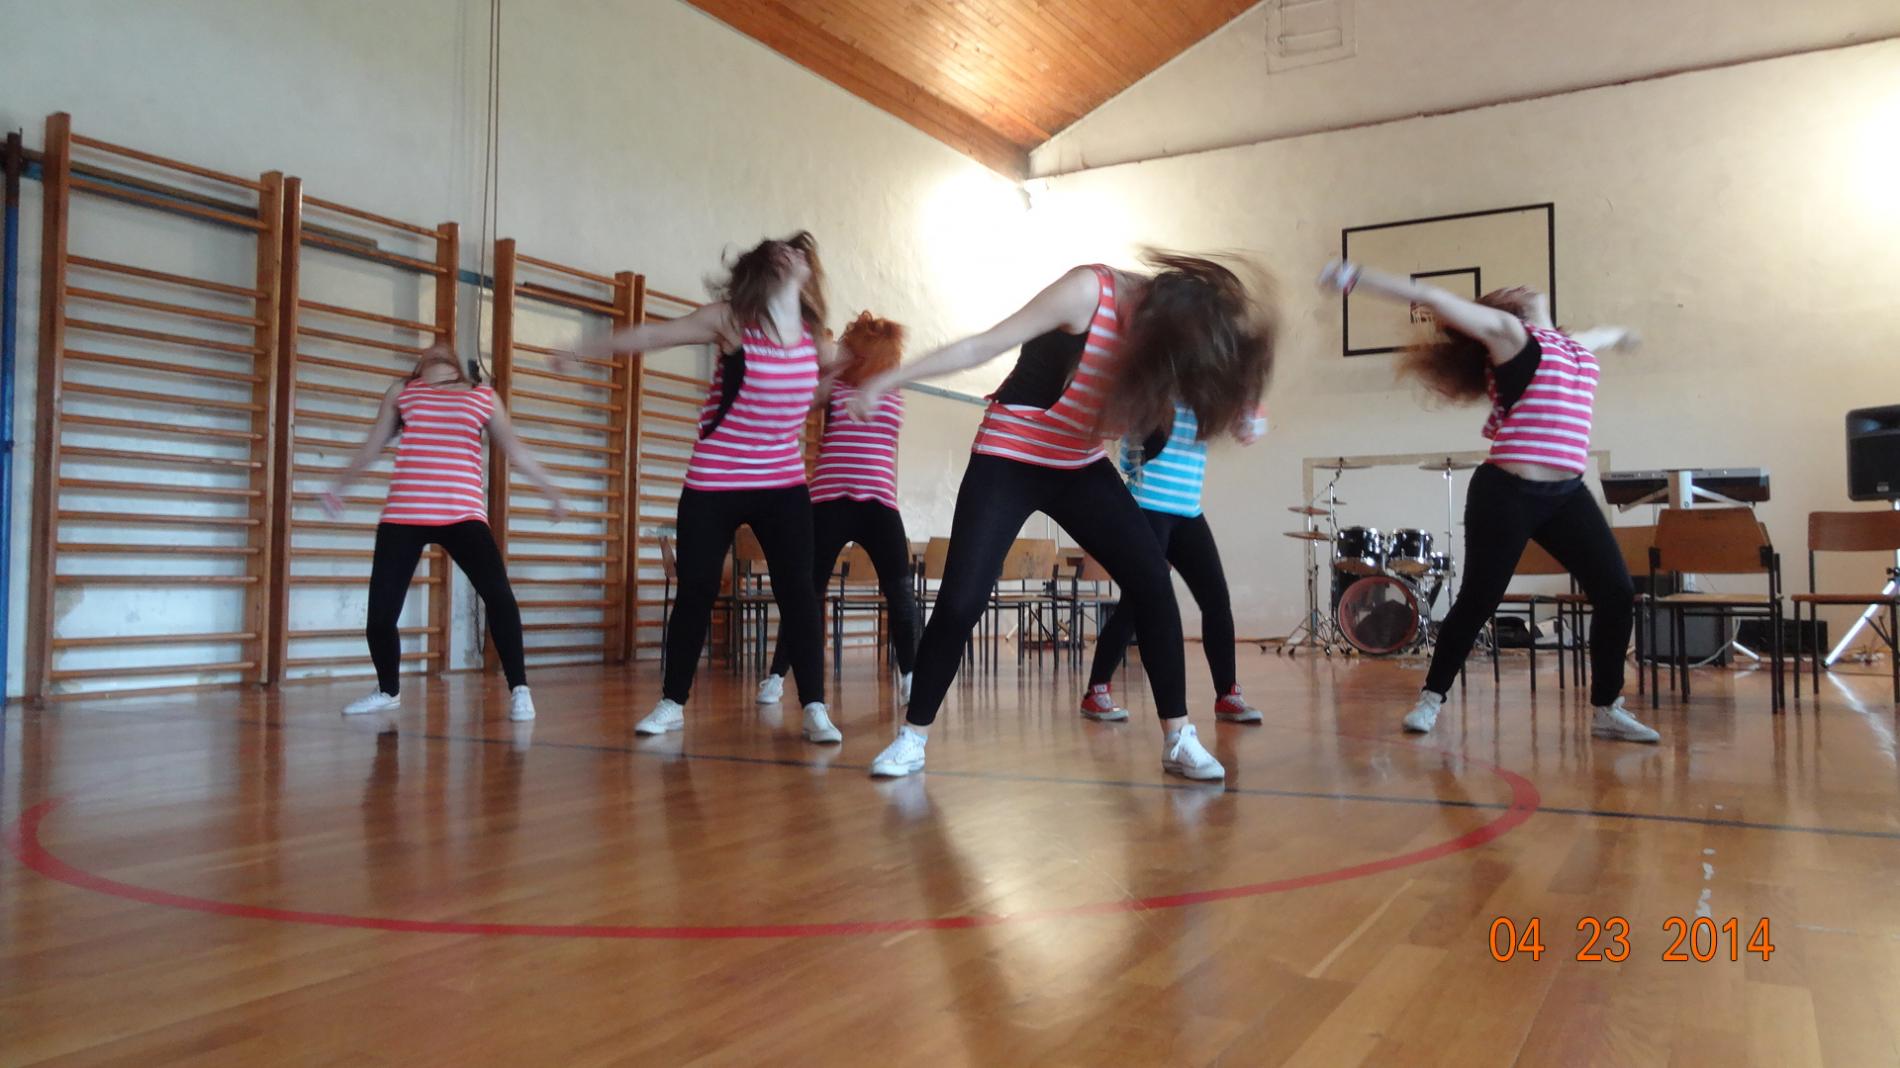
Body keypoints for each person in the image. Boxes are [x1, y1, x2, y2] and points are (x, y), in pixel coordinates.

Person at [850, 254, 1278, 780]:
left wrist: (1247, 411)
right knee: (962, 600)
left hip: (1078, 463)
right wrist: (888, 380)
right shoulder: (1087, 293)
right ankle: (912, 738)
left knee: (1151, 581)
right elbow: (982, 345)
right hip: (1010, 454)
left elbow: (1214, 382)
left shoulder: (1169, 346)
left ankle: (1178, 738)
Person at [1317, 259, 1656, 743]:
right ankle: (1430, 699)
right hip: (1507, 492)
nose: (1521, 282)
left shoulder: (1572, 345)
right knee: (1480, 598)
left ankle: (1607, 708)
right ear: (1508, 308)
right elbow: (1434, 298)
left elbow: (1600, 334)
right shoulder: (1511, 334)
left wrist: (1623, 334)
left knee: (1617, 591)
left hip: (1566, 494)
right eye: (1510, 288)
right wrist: (1355, 278)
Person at [565, 232, 844, 743]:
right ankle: (672, 703)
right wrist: (587, 348)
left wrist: (868, 377)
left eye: (801, 252)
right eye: (785, 250)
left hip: (781, 481)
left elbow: (818, 391)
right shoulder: (731, 320)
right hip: (716, 478)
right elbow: (656, 336)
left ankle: (815, 708)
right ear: (766, 267)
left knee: (799, 593)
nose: (795, 254)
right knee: (695, 589)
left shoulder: (814, 339)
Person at [325, 341, 568, 724]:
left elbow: (514, 449)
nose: (436, 347)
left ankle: (520, 688)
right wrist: (339, 487)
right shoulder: (402, 391)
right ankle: (388, 691)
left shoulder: (482, 396)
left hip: (463, 514)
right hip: (404, 515)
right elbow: (372, 445)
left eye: (443, 347)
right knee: (380, 615)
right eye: (428, 349)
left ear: (456, 364)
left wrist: (551, 491)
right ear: (419, 364)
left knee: (499, 597)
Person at [756, 312, 924, 707]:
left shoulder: (891, 391)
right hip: (828, 501)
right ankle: (777, 675)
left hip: (879, 502)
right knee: (806, 593)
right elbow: (808, 398)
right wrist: (834, 367)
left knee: (900, 592)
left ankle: (911, 675)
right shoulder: (835, 387)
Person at [1080, 402, 1268, 725]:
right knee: (1138, 603)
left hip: (1188, 511)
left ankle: (1227, 694)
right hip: (1147, 508)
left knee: (1216, 600)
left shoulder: (1207, 398)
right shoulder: (1153, 393)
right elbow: (1127, 458)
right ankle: (1096, 690)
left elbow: (1241, 422)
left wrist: (1249, 415)